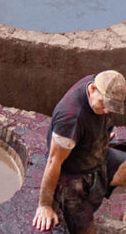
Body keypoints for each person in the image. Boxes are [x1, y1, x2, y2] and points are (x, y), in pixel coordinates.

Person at [34, 71, 126, 234]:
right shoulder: (70, 119)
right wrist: (45, 205)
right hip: (72, 178)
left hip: (96, 155)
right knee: (85, 231)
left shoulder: (101, 84)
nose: (106, 111)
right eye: (104, 104)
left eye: (110, 106)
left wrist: (105, 131)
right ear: (92, 89)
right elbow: (53, 162)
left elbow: (104, 115)